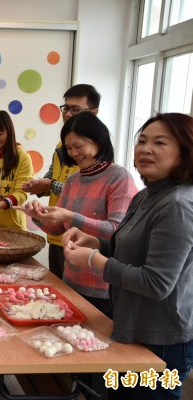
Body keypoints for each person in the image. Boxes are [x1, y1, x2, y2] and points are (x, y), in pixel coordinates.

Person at [63, 113, 193, 400]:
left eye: (160, 142)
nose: (145, 149)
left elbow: (156, 283)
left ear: (185, 150)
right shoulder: (146, 195)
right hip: (133, 325)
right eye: (142, 141)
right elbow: (132, 248)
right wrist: (96, 242)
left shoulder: (178, 205)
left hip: (162, 338)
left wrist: (94, 260)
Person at [17, 112, 137, 318]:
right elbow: (57, 227)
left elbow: (117, 232)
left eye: (78, 146)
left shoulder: (119, 177)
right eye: (69, 148)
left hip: (104, 289)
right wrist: (37, 215)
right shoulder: (73, 180)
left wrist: (71, 217)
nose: (73, 153)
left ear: (98, 140)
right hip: (71, 280)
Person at [23, 84, 101, 277]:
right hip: (56, 233)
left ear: (94, 112)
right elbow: (53, 175)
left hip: (81, 239)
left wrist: (51, 185)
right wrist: (40, 185)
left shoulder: (98, 149)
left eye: (75, 109)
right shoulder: (61, 144)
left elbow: (86, 192)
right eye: (65, 108)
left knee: (79, 300)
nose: (67, 114)